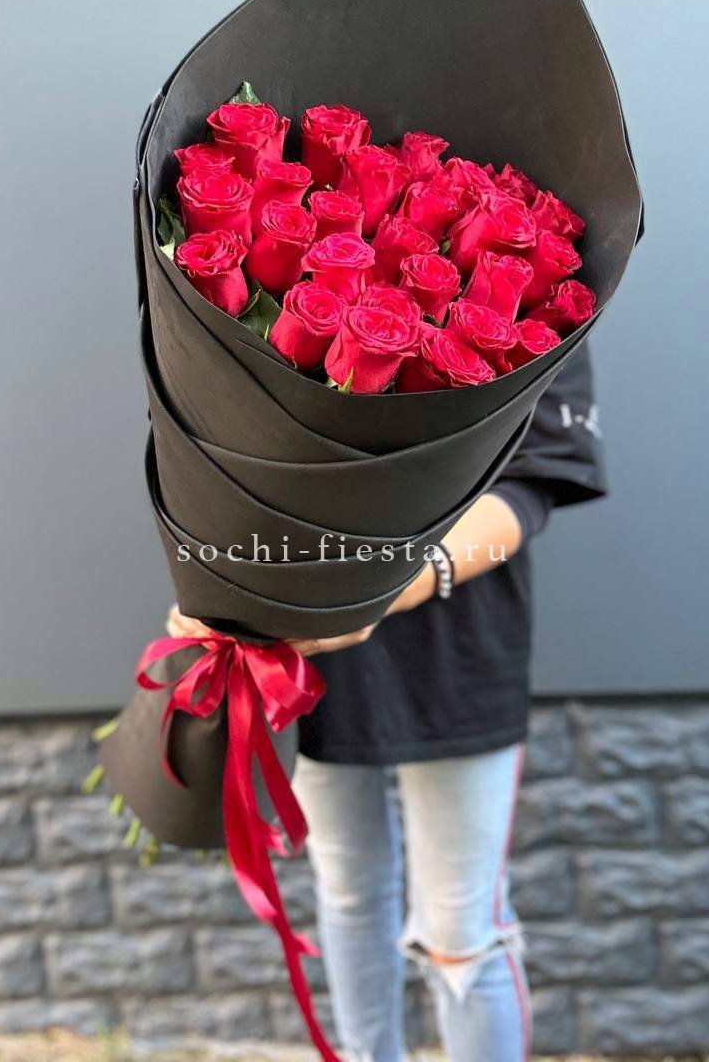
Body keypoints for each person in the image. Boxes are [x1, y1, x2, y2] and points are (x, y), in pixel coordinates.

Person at [167, 344, 605, 1062]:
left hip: (458, 631)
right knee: (346, 889)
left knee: (461, 928)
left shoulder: (551, 279)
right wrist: (213, 587)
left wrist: (392, 586)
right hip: (301, 638)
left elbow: (538, 474)